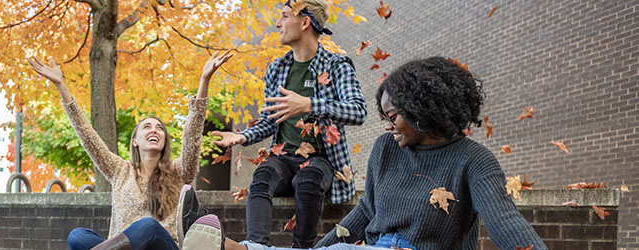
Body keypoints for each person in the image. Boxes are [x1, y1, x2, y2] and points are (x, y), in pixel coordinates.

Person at [182, 57, 549, 250]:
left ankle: (228, 249)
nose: (388, 126)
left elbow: (506, 223)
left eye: (393, 117)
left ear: (426, 111)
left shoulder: (473, 160)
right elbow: (366, 212)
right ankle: (225, 247)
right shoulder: (386, 149)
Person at [28, 51, 233, 250]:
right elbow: (87, 136)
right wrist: (61, 86)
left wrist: (204, 81)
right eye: (147, 127)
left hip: (161, 246)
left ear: (164, 141)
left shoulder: (179, 171)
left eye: (159, 128)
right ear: (134, 141)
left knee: (148, 226)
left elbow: (192, 137)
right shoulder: (119, 170)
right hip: (123, 247)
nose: (154, 130)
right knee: (78, 236)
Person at [210, 0, 366, 247]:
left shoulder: (337, 66)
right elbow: (270, 121)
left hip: (321, 160)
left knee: (307, 180)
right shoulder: (277, 69)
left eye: (284, 16)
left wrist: (310, 105)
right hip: (283, 160)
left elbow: (358, 111)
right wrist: (242, 137)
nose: (277, 23)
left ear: (305, 22)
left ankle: (301, 248)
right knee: (261, 176)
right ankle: (255, 246)